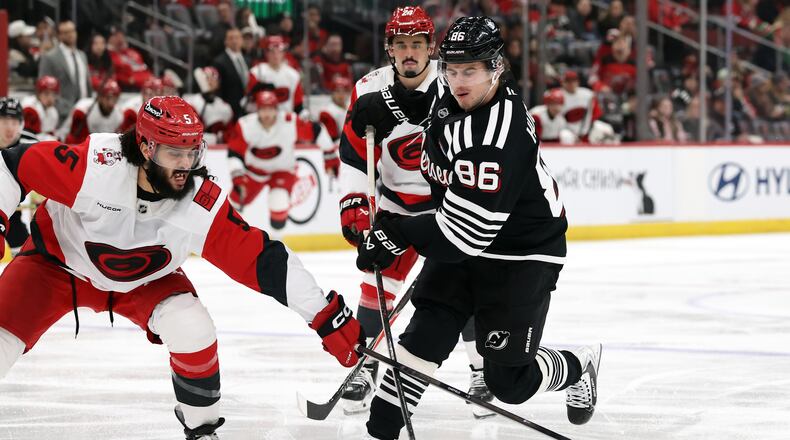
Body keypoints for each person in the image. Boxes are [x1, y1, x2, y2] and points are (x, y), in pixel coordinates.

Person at [0, 96, 363, 440]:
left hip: (148, 280)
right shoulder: (96, 166)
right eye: (175, 153)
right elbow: (12, 165)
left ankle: (202, 428)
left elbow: (261, 258)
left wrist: (324, 313)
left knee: (193, 327)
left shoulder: (198, 200)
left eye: (193, 152)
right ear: (146, 148)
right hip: (55, 267)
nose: (186, 166)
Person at [355, 17, 602, 439]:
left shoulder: (496, 133)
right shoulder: (450, 99)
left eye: (469, 70)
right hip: (466, 239)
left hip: (521, 254)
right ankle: (383, 431)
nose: (456, 81)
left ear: (496, 68)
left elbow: (465, 234)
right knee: (420, 344)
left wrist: (399, 231)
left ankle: (580, 364)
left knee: (509, 384)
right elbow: (441, 181)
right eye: (450, 70)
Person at [337, 6, 492, 417]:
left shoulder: (455, 80)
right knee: (377, 283)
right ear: (390, 48)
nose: (410, 53)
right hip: (394, 203)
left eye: (417, 45)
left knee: (462, 285)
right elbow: (354, 156)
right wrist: (354, 200)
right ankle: (366, 366)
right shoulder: (368, 86)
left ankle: (482, 371)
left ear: (431, 48)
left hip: (448, 203)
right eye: (401, 44)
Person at [226, 90, 338, 233]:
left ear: (276, 109)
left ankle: (277, 245)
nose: (267, 114)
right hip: (254, 172)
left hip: (282, 171)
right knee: (234, 202)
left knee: (278, 201)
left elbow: (317, 131)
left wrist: (329, 155)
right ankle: (230, 236)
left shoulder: (289, 121)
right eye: (263, 109)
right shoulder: (245, 125)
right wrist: (237, 176)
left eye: (270, 109)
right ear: (257, 109)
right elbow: (234, 153)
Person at [0, 97, 38, 256]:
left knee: (24, 254)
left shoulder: (31, 144)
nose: (10, 129)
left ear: (21, 124)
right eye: (4, 122)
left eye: (14, 123)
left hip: (14, 209)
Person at [38, 20, 92, 122]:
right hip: (62, 115)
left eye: (72, 31)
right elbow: (43, 88)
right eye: (66, 32)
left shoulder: (82, 55)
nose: (70, 35)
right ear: (59, 36)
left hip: (85, 113)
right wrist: (65, 110)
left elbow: (86, 84)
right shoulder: (50, 57)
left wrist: (89, 105)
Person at [246, 35, 305, 115]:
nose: (275, 55)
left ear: (283, 53)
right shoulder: (256, 73)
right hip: (263, 119)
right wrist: (254, 94)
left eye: (279, 51)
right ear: (266, 53)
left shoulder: (293, 75)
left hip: (285, 120)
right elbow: (248, 105)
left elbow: (298, 105)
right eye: (272, 51)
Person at [183, 66, 234, 144]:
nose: (210, 81)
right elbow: (189, 132)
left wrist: (221, 136)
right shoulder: (192, 102)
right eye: (207, 77)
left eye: (214, 78)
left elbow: (230, 133)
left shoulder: (225, 106)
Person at [65, 79, 124, 144]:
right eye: (108, 98)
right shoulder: (83, 110)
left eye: (115, 99)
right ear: (99, 97)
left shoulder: (119, 114)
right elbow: (75, 140)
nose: (111, 103)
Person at [22, 76, 61, 140]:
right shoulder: (30, 107)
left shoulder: (53, 111)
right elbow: (28, 136)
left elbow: (50, 133)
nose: (50, 98)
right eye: (46, 94)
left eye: (53, 94)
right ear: (38, 93)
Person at [317, 75, 353, 144]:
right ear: (332, 93)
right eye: (337, 91)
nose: (341, 95)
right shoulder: (326, 112)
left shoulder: (353, 107)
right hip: (336, 147)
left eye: (344, 91)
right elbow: (331, 139)